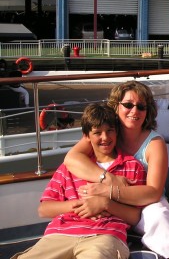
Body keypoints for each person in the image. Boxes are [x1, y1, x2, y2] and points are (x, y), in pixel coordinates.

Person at [64, 81, 169, 259]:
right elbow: (71, 158)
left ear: (148, 112)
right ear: (116, 106)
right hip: (105, 197)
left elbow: (153, 193)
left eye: (141, 107)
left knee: (161, 217)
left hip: (143, 202)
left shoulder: (154, 143)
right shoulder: (106, 133)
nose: (134, 111)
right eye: (128, 105)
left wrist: (111, 192)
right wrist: (106, 178)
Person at [11, 103, 147, 259]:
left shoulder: (131, 167)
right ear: (87, 136)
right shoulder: (71, 167)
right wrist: (80, 207)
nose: (105, 137)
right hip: (60, 234)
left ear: (117, 132)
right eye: (97, 132)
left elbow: (136, 216)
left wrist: (105, 204)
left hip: (104, 236)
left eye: (110, 131)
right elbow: (44, 209)